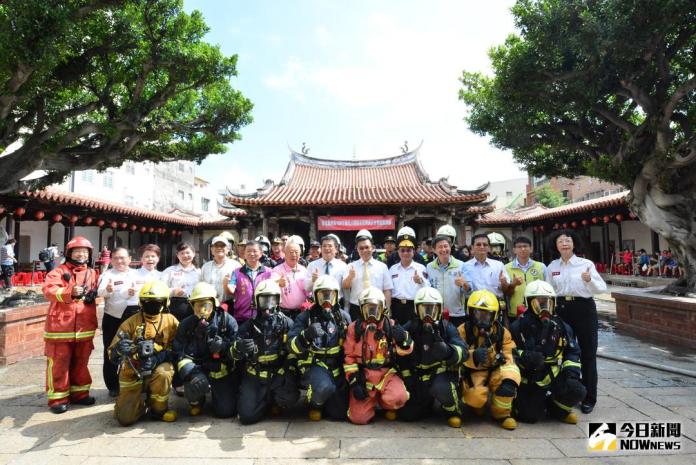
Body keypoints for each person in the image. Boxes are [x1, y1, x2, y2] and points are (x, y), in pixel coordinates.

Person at [546, 231, 607, 414]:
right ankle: (568, 393)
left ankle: (589, 397)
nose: (564, 243)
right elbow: (549, 290)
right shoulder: (552, 266)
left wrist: (589, 281)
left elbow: (601, 288)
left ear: (574, 244)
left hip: (584, 308)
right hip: (562, 309)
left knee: (588, 353)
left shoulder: (585, 264)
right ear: (555, 245)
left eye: (568, 240)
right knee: (564, 352)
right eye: (560, 241)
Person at [510, 281, 585, 425]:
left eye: (547, 302)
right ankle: (533, 404)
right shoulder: (518, 326)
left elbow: (573, 352)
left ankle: (557, 409)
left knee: (577, 390)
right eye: (538, 302)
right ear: (528, 303)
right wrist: (526, 357)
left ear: (553, 302)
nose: (543, 307)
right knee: (530, 417)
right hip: (531, 378)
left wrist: (571, 373)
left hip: (554, 373)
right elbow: (510, 352)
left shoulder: (562, 326)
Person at [109, 280, 179, 425]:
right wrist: (119, 349)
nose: (151, 305)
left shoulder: (171, 321)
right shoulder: (130, 322)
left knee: (164, 373)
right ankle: (136, 406)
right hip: (133, 370)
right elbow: (111, 354)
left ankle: (158, 410)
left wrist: (158, 357)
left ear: (165, 303)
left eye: (157, 302)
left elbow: (179, 348)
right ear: (141, 302)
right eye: (147, 301)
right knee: (125, 419)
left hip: (158, 366)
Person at [42, 236, 99, 414]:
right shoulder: (58, 271)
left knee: (81, 362)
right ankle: (58, 399)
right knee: (59, 362)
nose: (81, 254)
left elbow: (99, 289)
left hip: (84, 326)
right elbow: (48, 290)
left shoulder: (92, 273)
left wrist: (94, 294)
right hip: (60, 326)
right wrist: (69, 292)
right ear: (69, 253)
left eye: (84, 251)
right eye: (77, 251)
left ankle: (80, 394)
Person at [398, 288, 468, 427]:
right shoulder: (411, 326)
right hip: (418, 377)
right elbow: (401, 356)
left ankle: (452, 411)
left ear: (440, 309)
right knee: (408, 415)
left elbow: (464, 352)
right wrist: (407, 377)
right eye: (425, 310)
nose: (428, 315)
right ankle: (426, 404)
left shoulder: (446, 327)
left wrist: (449, 351)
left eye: (432, 310)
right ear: (417, 310)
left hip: (440, 375)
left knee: (442, 389)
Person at [343, 287, 413, 424]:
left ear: (383, 309)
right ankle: (370, 402)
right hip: (365, 378)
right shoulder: (354, 329)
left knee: (399, 397)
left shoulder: (390, 326)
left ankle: (385, 402)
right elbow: (349, 358)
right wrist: (355, 382)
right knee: (358, 419)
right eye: (368, 309)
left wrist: (403, 339)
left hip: (387, 375)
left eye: (375, 309)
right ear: (361, 309)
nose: (372, 314)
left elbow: (406, 349)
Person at [233, 280, 299, 424]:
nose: (268, 305)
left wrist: (286, 371)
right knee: (246, 417)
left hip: (278, 374)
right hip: (255, 376)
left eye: (272, 299)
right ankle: (263, 400)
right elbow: (233, 353)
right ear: (257, 302)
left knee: (289, 397)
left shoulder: (287, 323)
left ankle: (272, 399)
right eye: (264, 300)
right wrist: (239, 347)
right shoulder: (248, 326)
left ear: (278, 300)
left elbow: (294, 352)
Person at [288, 275, 351, 421]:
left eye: (330, 295)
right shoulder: (305, 317)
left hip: (336, 368)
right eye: (323, 295)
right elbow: (291, 346)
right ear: (316, 296)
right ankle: (314, 403)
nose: (327, 300)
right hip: (315, 366)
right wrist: (305, 336)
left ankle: (325, 400)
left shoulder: (343, 318)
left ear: (337, 296)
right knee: (323, 388)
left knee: (339, 414)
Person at [174, 282, 239, 418]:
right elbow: (179, 353)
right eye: (198, 306)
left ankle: (221, 395)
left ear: (214, 304)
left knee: (225, 412)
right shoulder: (186, 325)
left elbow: (236, 348)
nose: (202, 310)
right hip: (198, 368)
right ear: (192, 306)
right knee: (193, 384)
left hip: (219, 370)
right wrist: (193, 373)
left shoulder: (227, 322)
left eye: (206, 305)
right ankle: (196, 402)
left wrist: (223, 347)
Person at [458, 289, 521, 430]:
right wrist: (473, 355)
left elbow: (510, 352)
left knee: (510, 377)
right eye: (478, 314)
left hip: (495, 370)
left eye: (487, 315)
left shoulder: (502, 332)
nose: (482, 319)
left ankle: (502, 415)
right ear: (470, 313)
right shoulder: (463, 330)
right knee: (476, 401)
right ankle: (479, 403)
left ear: (495, 315)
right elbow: (457, 353)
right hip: (475, 372)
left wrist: (500, 358)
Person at [97, 247, 138, 398]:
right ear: (112, 260)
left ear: (130, 259)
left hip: (133, 317)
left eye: (122, 258)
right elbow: (100, 292)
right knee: (111, 351)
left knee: (134, 349)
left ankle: (134, 381)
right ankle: (113, 385)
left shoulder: (136, 274)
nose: (119, 261)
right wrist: (107, 290)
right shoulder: (107, 274)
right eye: (116, 258)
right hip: (112, 317)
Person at [343, 230, 393, 321]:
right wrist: (350, 277)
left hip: (377, 307)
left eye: (367, 247)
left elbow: (387, 290)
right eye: (361, 248)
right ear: (357, 249)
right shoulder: (351, 266)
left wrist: (387, 310)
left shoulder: (382, 267)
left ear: (373, 248)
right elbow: (345, 286)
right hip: (357, 308)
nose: (364, 250)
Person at [426, 235, 471, 327]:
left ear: (450, 247)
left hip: (456, 314)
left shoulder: (461, 265)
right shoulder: (429, 267)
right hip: (436, 314)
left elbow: (469, 290)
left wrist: (464, 284)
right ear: (434, 250)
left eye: (446, 246)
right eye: (440, 247)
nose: (443, 249)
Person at [226, 240, 272, 325]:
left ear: (261, 253)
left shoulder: (269, 272)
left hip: (263, 316)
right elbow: (231, 287)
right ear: (244, 254)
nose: (252, 254)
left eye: (255, 251)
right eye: (249, 251)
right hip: (242, 317)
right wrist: (228, 286)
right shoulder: (236, 272)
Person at [464, 233, 512, 314]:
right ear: (472, 248)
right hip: (473, 307)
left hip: (495, 307)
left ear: (489, 248)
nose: (482, 247)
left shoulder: (498, 265)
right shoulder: (465, 266)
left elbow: (506, 290)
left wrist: (504, 283)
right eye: (478, 244)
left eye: (485, 244)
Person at [504, 236, 548, 324]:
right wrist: (514, 284)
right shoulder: (506, 268)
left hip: (538, 311)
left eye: (525, 246)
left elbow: (547, 289)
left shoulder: (541, 266)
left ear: (531, 249)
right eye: (519, 247)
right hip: (515, 313)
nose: (523, 249)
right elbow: (506, 293)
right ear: (514, 250)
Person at [388, 234, 430, 325]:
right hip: (396, 307)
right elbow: (389, 290)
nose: (405, 253)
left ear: (413, 252)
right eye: (402, 250)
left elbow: (428, 289)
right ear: (398, 252)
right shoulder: (392, 269)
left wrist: (420, 281)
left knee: (415, 335)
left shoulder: (421, 268)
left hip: (413, 307)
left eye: (408, 250)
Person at [121, 244, 163, 322]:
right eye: (147, 256)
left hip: (156, 312)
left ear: (158, 258)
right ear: (141, 258)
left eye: (153, 256)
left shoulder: (162, 276)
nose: (150, 259)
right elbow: (122, 293)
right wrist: (128, 292)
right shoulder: (132, 274)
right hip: (134, 310)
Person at [161, 242, 201, 321]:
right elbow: (161, 289)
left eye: (188, 253)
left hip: (194, 306)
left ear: (193, 253)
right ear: (177, 255)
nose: (185, 255)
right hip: (174, 307)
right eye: (182, 253)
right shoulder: (169, 271)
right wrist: (173, 291)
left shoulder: (199, 272)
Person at [305, 235, 348, 307]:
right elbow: (307, 288)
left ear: (336, 249)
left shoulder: (343, 266)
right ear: (321, 249)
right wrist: (313, 280)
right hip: (318, 304)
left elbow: (346, 291)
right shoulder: (312, 265)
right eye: (324, 246)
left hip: (337, 304)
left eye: (330, 246)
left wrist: (346, 308)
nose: (327, 248)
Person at [272, 239, 309, 320]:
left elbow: (309, 291)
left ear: (300, 255)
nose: (294, 255)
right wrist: (278, 283)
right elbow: (270, 285)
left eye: (296, 252)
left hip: (302, 313)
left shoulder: (304, 270)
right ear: (285, 253)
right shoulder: (277, 270)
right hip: (284, 313)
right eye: (291, 252)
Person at [200, 235, 241, 307]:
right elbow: (201, 287)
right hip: (209, 305)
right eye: (216, 246)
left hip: (229, 305)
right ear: (211, 249)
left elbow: (239, 289)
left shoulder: (236, 266)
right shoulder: (205, 267)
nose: (219, 248)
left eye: (222, 246)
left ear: (228, 249)